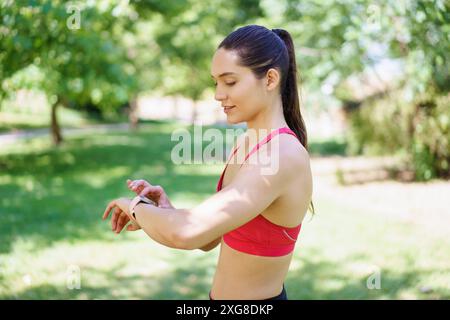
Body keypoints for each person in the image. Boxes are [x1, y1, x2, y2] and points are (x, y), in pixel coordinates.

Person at [102, 24, 313, 300]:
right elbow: (208, 237)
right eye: (216, 82)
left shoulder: (282, 155)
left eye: (230, 81)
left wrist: (134, 207)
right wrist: (167, 212)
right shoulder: (250, 143)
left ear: (270, 79)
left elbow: (188, 233)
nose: (218, 94)